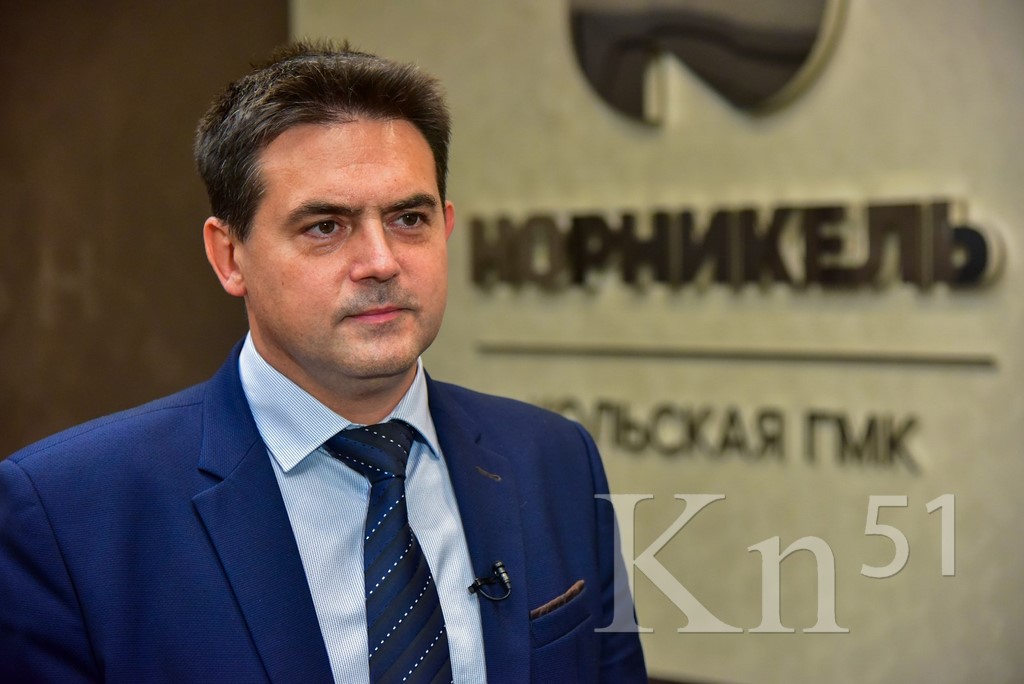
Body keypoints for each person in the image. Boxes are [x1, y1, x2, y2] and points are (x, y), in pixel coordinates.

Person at [0, 41, 646, 683]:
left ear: (446, 226)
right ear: (229, 257)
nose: (381, 262)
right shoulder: (66, 513)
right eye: (325, 227)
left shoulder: (553, 458)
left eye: (408, 218)